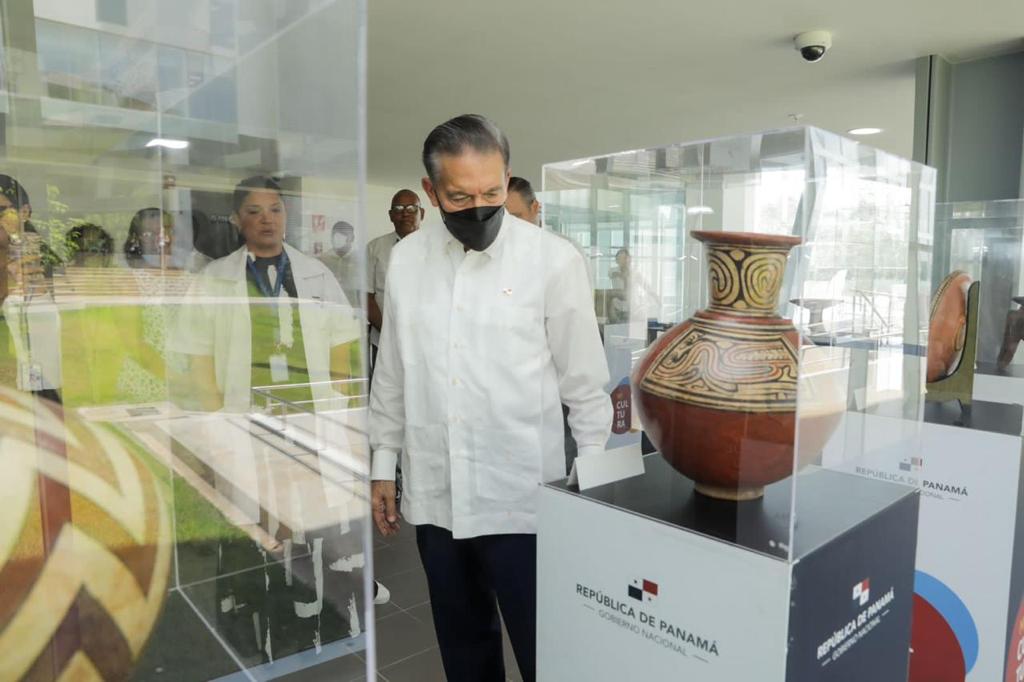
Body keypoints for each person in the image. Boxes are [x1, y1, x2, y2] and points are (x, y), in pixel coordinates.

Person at [369, 114, 612, 682]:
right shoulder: (407, 260)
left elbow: (584, 382)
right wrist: (384, 461)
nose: (479, 206)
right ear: (431, 193)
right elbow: (394, 371)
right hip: (436, 487)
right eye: (460, 196)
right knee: (463, 641)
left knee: (545, 646)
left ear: (508, 179)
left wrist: (596, 483)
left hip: (522, 492)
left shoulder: (553, 260)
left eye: (492, 192)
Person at [366, 189, 423, 369]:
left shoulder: (437, 249)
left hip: (424, 343)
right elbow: (366, 297)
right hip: (384, 342)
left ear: (422, 213)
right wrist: (389, 334)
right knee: (384, 393)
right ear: (391, 216)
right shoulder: (375, 248)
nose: (405, 213)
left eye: (411, 208)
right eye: (398, 208)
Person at [319, 220, 361, 305]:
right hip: (329, 309)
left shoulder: (360, 261)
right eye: (335, 235)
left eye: (344, 234)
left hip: (353, 309)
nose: (338, 238)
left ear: (352, 238)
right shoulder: (323, 260)